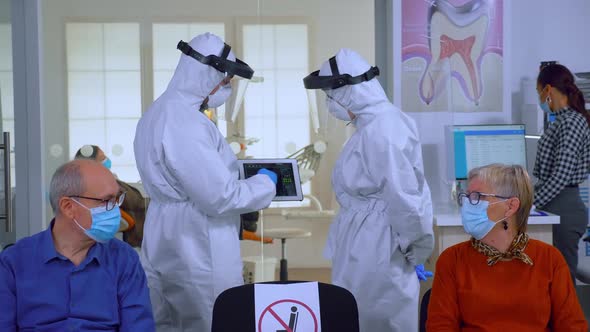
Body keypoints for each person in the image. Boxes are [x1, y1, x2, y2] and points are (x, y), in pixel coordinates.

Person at [133, 32, 277, 331]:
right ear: (205, 74)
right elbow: (219, 197)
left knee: (167, 320)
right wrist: (265, 183)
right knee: (212, 318)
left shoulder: (157, 111)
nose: (226, 90)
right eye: (225, 82)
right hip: (197, 239)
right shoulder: (187, 122)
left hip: (163, 231)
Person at [303, 49, 434, 331]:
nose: (330, 104)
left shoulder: (383, 129)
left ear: (350, 91)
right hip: (368, 241)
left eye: (330, 96)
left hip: (378, 246)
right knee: (356, 314)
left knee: (376, 319)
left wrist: (416, 249)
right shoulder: (372, 125)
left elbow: (406, 199)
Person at [427, 164, 587, 331]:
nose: (467, 204)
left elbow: (572, 326)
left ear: (510, 206)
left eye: (476, 197)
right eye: (466, 197)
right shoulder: (452, 260)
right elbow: (439, 327)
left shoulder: (549, 259)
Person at [0, 160, 155, 331]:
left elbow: (139, 327)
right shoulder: (13, 262)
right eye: (106, 201)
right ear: (68, 207)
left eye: (117, 199)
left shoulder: (124, 259)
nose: (116, 211)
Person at [534, 63, 590, 283]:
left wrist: (532, 202)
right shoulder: (561, 122)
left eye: (538, 91)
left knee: (562, 285)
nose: (539, 98)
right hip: (554, 205)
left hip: (564, 209)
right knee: (551, 282)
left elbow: (561, 176)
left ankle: (570, 320)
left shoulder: (572, 122)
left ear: (548, 90)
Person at [74, 144, 147, 248]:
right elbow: (135, 202)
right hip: (137, 228)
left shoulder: (97, 183)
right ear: (93, 164)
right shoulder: (105, 184)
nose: (107, 160)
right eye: (102, 158)